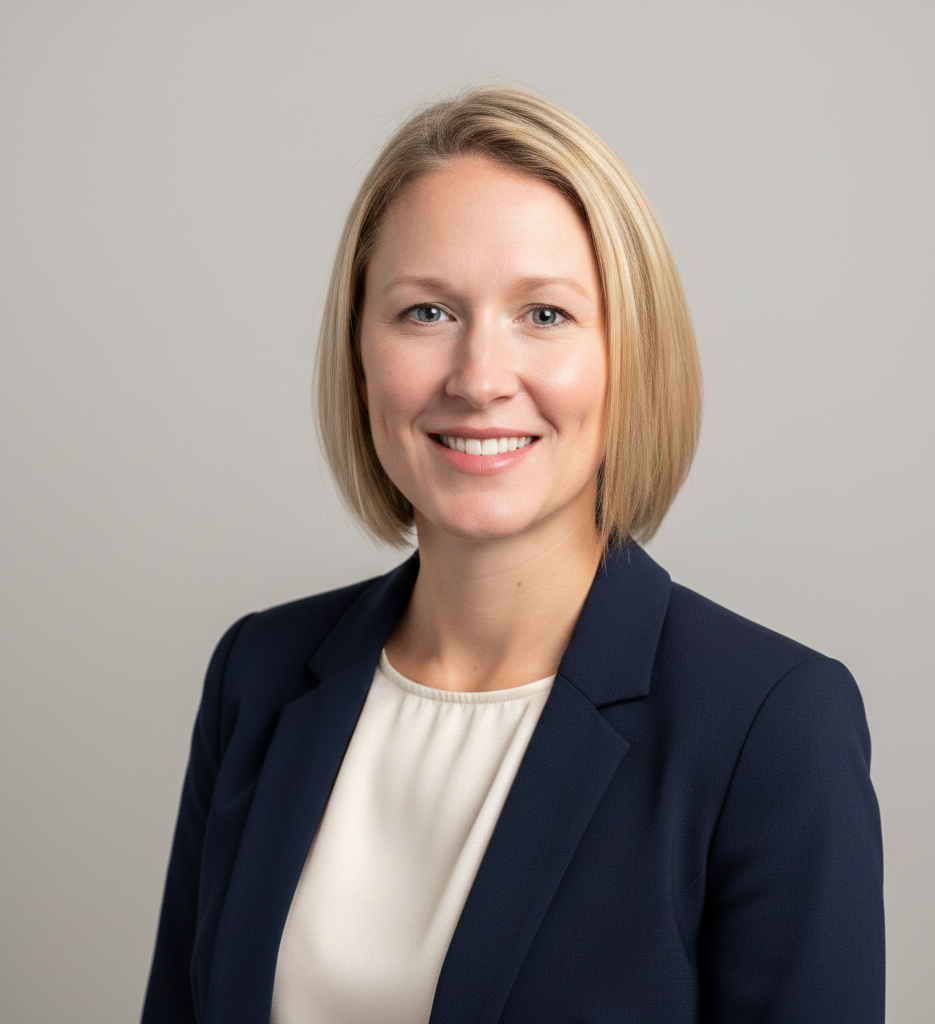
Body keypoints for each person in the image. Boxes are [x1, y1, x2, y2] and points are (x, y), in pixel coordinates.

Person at [141, 85, 884, 1024]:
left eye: (544, 315)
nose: (480, 379)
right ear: (358, 350)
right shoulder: (256, 673)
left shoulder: (771, 729)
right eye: (425, 313)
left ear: (629, 356)